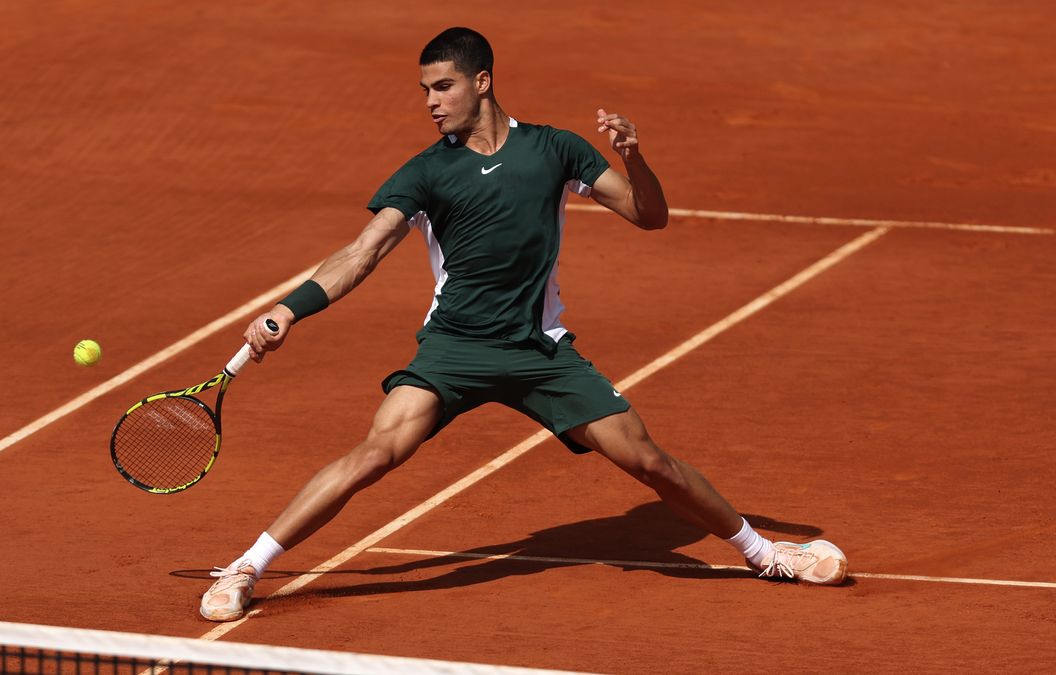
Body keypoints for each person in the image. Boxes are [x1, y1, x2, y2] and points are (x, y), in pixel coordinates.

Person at [200, 27, 846, 622]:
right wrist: (292, 306)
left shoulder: (555, 149)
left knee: (650, 461)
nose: (431, 101)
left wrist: (635, 157)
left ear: (483, 81)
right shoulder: (426, 172)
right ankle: (244, 568)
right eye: (424, 89)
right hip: (454, 346)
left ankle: (766, 553)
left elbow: (650, 216)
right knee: (375, 452)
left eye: (443, 85)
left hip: (540, 351)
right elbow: (361, 251)